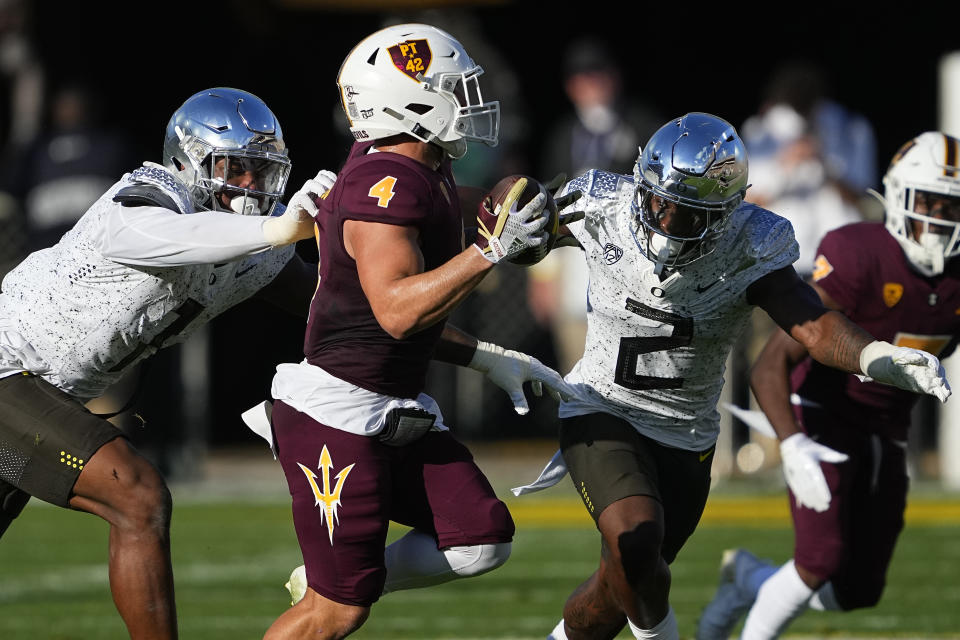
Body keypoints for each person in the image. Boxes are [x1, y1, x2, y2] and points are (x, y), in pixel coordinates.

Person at [505, 113, 950, 640]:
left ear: (726, 212)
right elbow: (514, 215)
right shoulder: (603, 201)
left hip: (685, 435)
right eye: (658, 203)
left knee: (620, 586)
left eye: (688, 215)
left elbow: (811, 324)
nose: (666, 222)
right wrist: (499, 213)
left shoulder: (752, 243)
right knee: (635, 540)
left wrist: (875, 355)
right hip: (602, 405)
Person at [261, 23, 581, 640]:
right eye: (452, 90)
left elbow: (447, 216)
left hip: (392, 403)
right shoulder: (386, 185)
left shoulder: (418, 168)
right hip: (340, 415)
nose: (467, 103)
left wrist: (489, 356)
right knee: (336, 611)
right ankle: (336, 582)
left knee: (480, 538)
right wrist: (489, 252)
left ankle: (340, 572)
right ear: (408, 101)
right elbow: (398, 312)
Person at [0, 86, 336, 640]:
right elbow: (170, 233)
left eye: (262, 170)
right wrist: (279, 227)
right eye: (235, 167)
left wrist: (482, 352)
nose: (250, 186)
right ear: (190, 160)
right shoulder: (141, 200)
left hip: (42, 393)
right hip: (9, 372)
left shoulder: (254, 241)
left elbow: (345, 306)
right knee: (137, 496)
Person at [696, 131, 960, 640]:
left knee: (859, 591)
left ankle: (747, 577)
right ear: (900, 197)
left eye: (950, 205)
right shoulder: (859, 253)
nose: (939, 219)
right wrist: (792, 443)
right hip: (825, 411)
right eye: (928, 201)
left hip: (887, 426)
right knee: (820, 559)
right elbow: (770, 363)